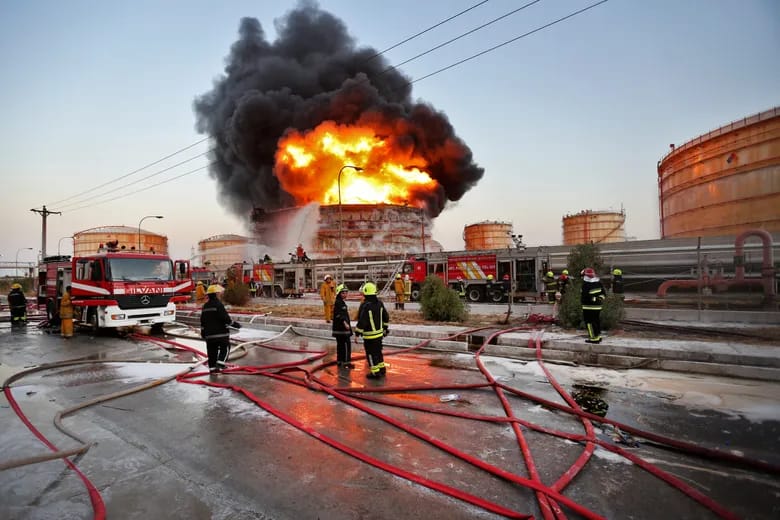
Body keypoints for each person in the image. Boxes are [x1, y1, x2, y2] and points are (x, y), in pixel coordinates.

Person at [200, 284, 241, 374]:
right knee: (225, 347)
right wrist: (235, 324)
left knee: (211, 352)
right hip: (221, 334)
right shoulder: (218, 305)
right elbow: (225, 318)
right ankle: (221, 364)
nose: (220, 295)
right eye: (218, 293)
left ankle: (212, 369)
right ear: (216, 294)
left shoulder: (205, 306)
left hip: (209, 335)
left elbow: (202, 321)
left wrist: (203, 332)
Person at [354, 282, 390, 379]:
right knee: (378, 352)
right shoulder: (380, 303)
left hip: (369, 336)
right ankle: (382, 369)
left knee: (370, 353)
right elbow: (386, 317)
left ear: (365, 293)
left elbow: (362, 321)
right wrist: (385, 329)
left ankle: (375, 372)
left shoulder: (366, 306)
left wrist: (357, 333)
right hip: (379, 335)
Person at [580, 267, 606, 344]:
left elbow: (586, 296)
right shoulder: (598, 282)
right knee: (596, 321)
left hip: (588, 307)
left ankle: (593, 338)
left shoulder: (585, 284)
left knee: (589, 322)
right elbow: (603, 294)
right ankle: (598, 336)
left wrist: (593, 300)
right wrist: (599, 299)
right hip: (598, 306)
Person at [332, 284, 355, 369]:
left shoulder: (339, 302)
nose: (345, 294)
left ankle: (340, 361)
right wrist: (345, 323)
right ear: (339, 293)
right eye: (343, 293)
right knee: (346, 345)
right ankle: (346, 363)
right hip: (342, 330)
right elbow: (339, 315)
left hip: (339, 329)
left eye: (346, 292)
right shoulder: (339, 303)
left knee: (340, 345)